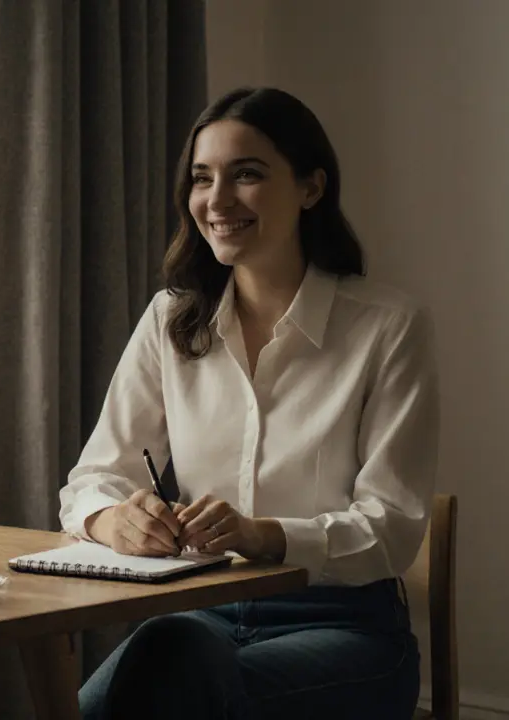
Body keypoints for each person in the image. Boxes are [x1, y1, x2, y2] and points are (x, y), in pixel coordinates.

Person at [60, 86, 439, 719]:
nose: (217, 200)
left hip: (344, 628)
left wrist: (262, 535)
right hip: (197, 614)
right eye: (202, 178)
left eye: (247, 174)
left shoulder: (389, 327)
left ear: (311, 187)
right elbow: (93, 478)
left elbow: (392, 528)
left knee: (174, 681)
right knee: (143, 673)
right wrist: (110, 519)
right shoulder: (170, 321)